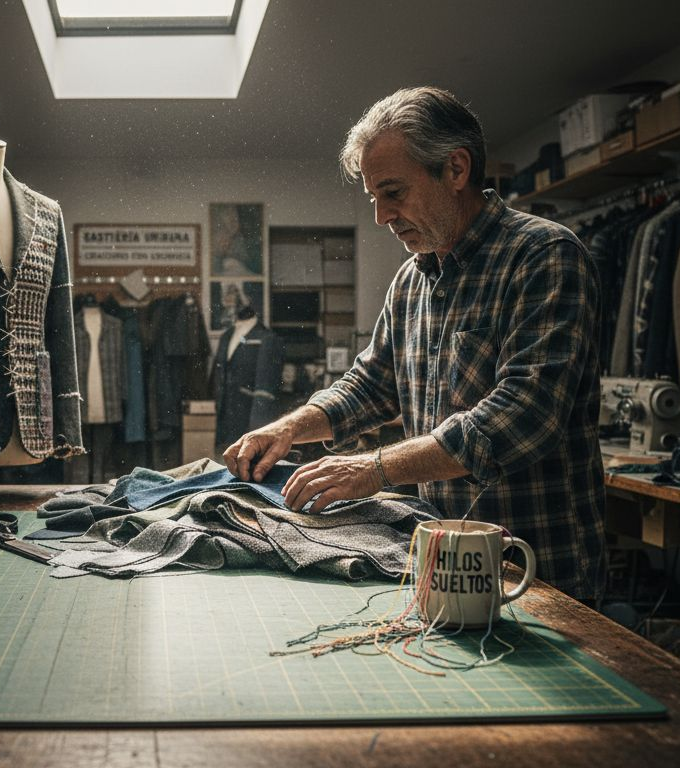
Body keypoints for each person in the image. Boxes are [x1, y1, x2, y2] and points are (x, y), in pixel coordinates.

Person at [223, 87, 605, 600]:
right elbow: (370, 385)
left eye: (394, 193)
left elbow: (523, 415)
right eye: (374, 198)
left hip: (538, 567)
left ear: (455, 169)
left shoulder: (544, 256)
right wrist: (289, 428)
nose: (381, 216)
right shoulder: (411, 280)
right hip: (440, 561)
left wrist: (373, 469)